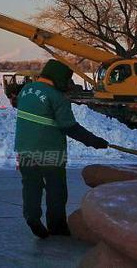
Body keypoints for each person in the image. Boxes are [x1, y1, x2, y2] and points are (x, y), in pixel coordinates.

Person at [15, 60, 109, 238]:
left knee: (31, 186)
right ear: (58, 78)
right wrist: (94, 141)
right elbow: (69, 127)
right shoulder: (57, 98)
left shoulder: (25, 91)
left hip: (24, 149)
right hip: (50, 151)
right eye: (66, 81)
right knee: (56, 189)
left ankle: (32, 217)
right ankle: (57, 226)